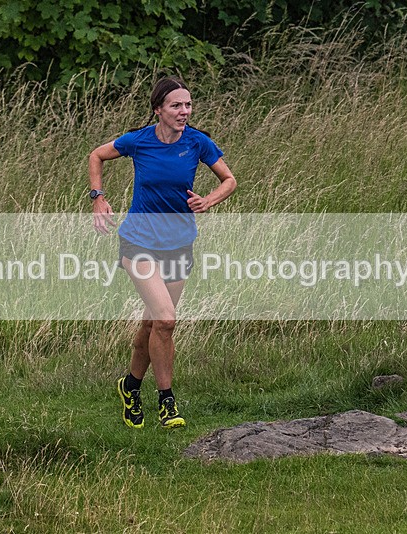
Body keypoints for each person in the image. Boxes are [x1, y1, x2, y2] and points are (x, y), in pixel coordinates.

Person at [88, 76, 237, 429]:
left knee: (154, 323)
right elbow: (97, 155)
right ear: (159, 109)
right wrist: (98, 197)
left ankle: (130, 386)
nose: (184, 111)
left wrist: (208, 200)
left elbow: (229, 181)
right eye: (176, 105)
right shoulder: (139, 140)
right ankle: (167, 402)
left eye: (187, 105)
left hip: (179, 244)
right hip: (138, 241)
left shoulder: (198, 142)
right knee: (167, 319)